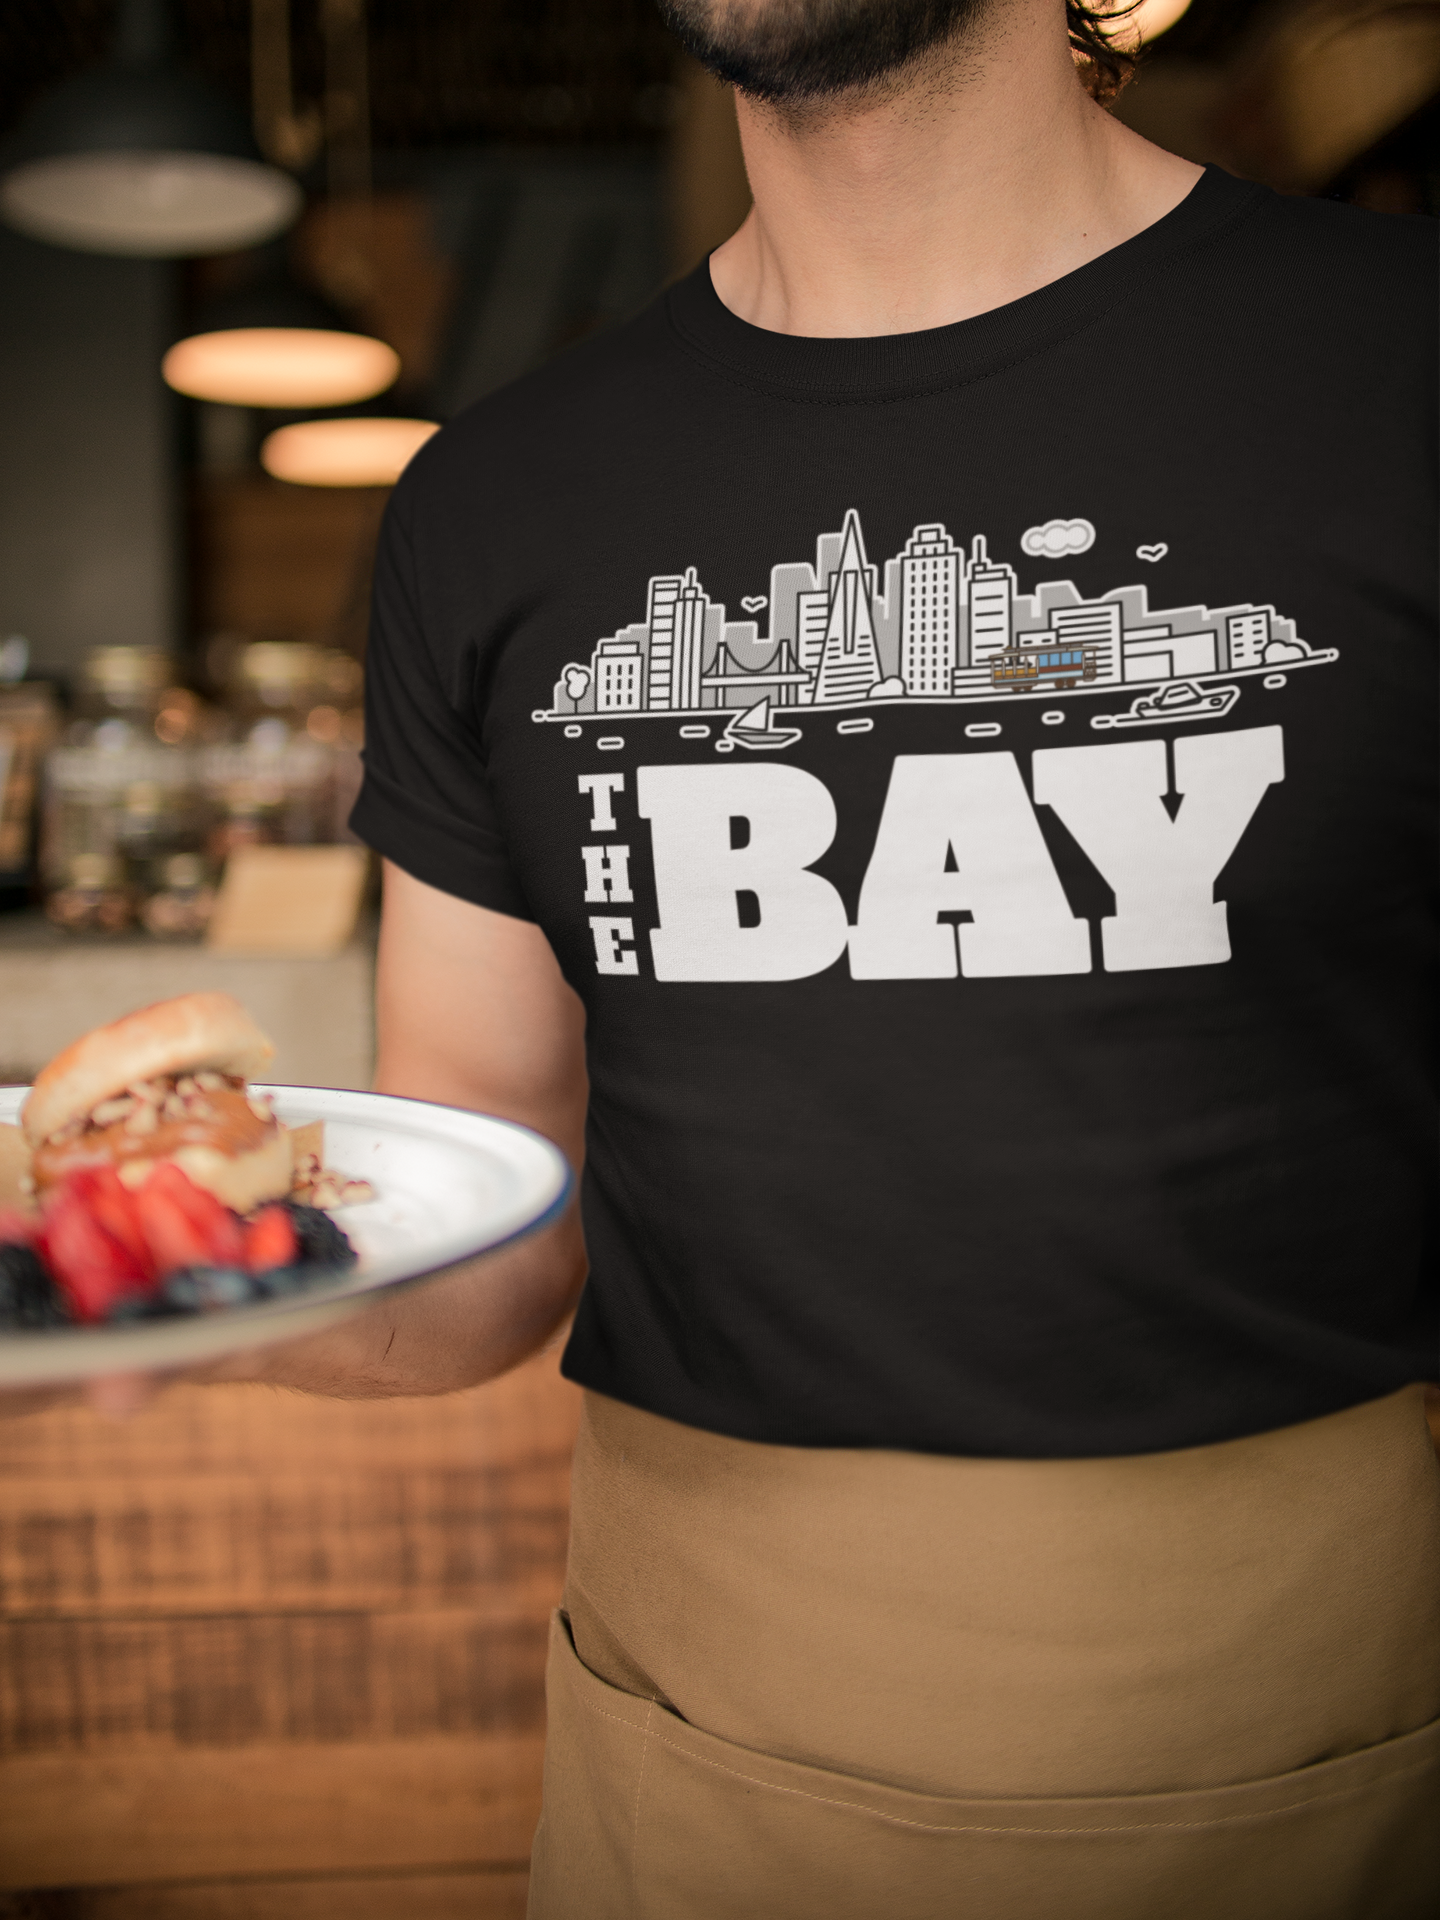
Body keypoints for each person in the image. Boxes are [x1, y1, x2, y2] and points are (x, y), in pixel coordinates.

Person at [105, 0, 1440, 1912]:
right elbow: (486, 1220)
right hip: (693, 1737)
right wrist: (166, 1268)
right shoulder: (494, 504)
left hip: (1314, 1724)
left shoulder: (1398, 358)